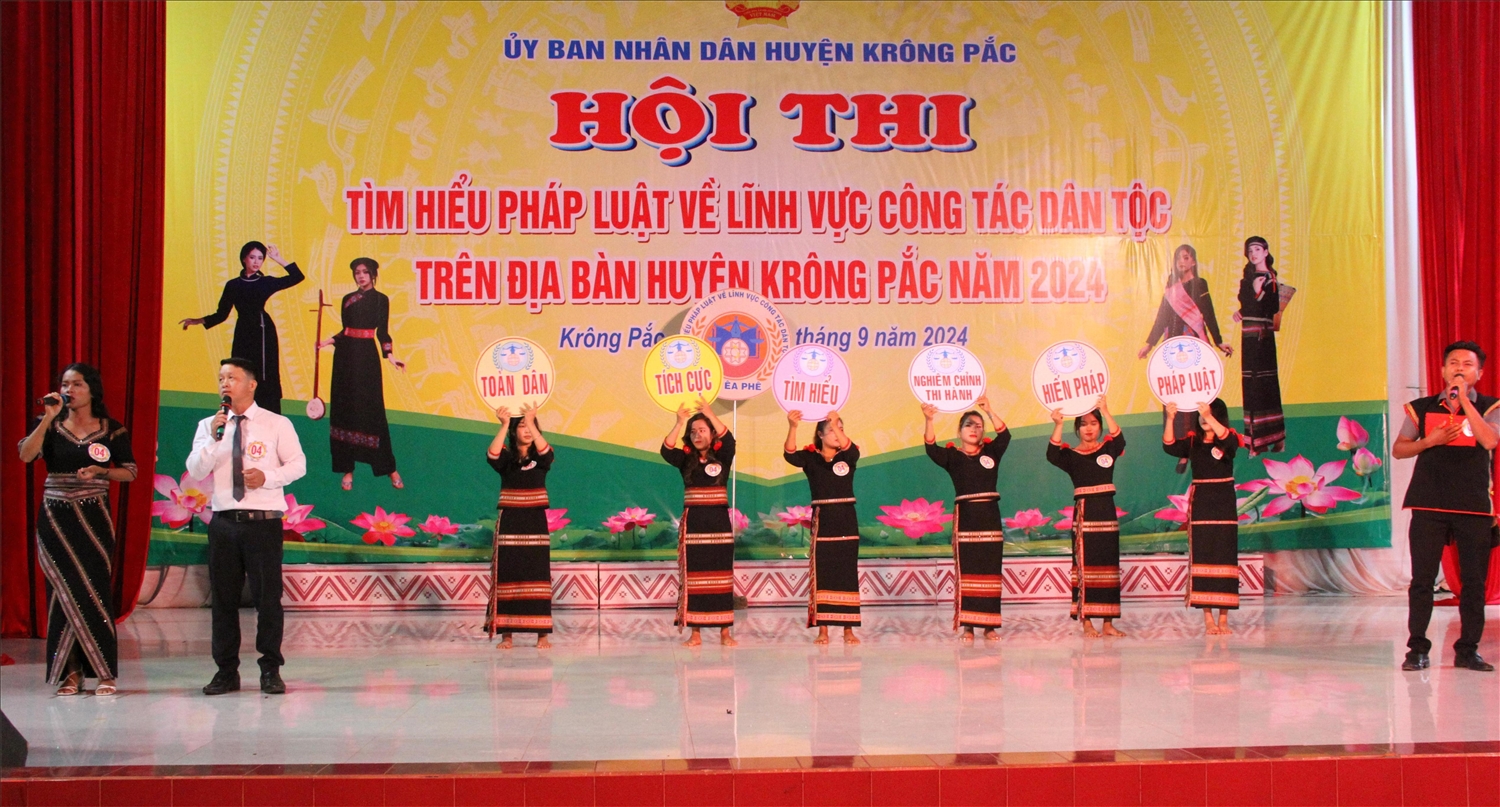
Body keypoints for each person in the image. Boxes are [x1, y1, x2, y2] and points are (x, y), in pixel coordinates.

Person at [187, 358, 307, 695]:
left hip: (263, 524)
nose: (225, 384)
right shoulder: (209, 426)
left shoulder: (276, 423)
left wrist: (266, 477)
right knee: (223, 600)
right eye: (221, 378)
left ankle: (270, 669)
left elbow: (298, 465)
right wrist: (214, 439)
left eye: (232, 378)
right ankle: (226, 672)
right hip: (224, 523)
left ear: (251, 384)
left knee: (268, 599)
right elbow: (196, 470)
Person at [16, 364, 137, 696]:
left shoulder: (111, 429)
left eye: (77, 384)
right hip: (55, 518)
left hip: (94, 517)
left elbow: (130, 471)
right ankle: (70, 673)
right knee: (61, 593)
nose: (69, 390)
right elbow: (26, 455)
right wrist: (47, 418)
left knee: (93, 591)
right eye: (65, 384)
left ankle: (104, 672)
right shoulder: (49, 425)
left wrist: (101, 472)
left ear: (92, 390)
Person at [1392, 340, 1499, 672]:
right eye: (1453, 363)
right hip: (1429, 503)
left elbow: (1489, 440)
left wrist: (1464, 401)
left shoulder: (1491, 407)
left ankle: (1467, 649)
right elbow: (1399, 449)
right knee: (1422, 580)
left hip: (1473, 507)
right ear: (1442, 370)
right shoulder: (1422, 408)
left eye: (1467, 365)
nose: (1459, 369)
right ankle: (1417, 649)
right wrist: (1430, 441)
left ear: (1479, 373)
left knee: (1473, 583)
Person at [1139, 244, 1234, 471]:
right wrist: (1150, 343)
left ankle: (1199, 443)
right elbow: (1162, 317)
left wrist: (1218, 341)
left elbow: (1208, 313)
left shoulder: (1200, 284)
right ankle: (1182, 450)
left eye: (1186, 257)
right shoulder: (1171, 286)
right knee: (1174, 394)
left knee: (1196, 393)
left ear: (1193, 261)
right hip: (1172, 346)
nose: (1182, 262)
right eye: (1178, 258)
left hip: (1194, 344)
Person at [179, 241, 304, 414]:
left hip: (262, 330)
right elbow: (222, 314)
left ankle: (268, 413)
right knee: (240, 370)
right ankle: (239, 412)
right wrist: (197, 321)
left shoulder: (265, 282)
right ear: (244, 258)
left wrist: (278, 258)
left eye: (260, 258)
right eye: (252, 257)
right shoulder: (233, 285)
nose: (256, 262)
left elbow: (297, 277)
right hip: (243, 331)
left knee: (264, 373)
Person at [923, 396, 1010, 643]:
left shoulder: (992, 452)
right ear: (959, 431)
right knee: (968, 572)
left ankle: (989, 626)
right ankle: (968, 626)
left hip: (990, 519)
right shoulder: (953, 456)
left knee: (990, 571)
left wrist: (989, 410)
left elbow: (1005, 436)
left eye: (979, 426)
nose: (974, 429)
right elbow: (931, 448)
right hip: (967, 520)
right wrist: (929, 420)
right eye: (969, 425)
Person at [317, 257, 405, 491]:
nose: (361, 276)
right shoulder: (348, 299)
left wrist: (390, 355)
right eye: (357, 272)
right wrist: (328, 341)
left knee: (372, 411)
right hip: (345, 358)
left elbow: (382, 332)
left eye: (365, 272)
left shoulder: (381, 299)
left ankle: (389, 467)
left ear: (373, 274)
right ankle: (347, 469)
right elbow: (345, 331)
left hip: (367, 357)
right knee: (344, 410)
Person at [1046, 397, 1127, 637]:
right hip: (1085, 515)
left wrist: (1106, 410)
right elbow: (1051, 454)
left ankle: (1108, 623)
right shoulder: (1070, 455)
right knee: (1084, 567)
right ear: (1077, 429)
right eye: (1083, 424)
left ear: (1100, 426)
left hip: (1107, 515)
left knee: (1108, 566)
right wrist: (1058, 424)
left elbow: (1120, 440)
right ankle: (1087, 622)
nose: (1089, 428)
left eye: (1094, 423)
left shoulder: (1108, 449)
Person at [662, 396, 737, 647]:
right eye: (693, 431)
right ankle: (695, 633)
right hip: (694, 525)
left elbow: (730, 440)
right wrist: (679, 422)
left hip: (719, 525)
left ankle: (725, 632)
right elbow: (666, 450)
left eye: (702, 430)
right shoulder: (686, 459)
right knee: (695, 578)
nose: (697, 435)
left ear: (712, 434)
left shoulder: (722, 456)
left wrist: (710, 413)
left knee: (722, 577)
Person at [1163, 398, 1241, 635]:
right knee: (1203, 556)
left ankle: (1224, 619)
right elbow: (1169, 446)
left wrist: (1209, 416)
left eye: (1210, 413)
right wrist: (1170, 418)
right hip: (1201, 507)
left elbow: (1228, 441)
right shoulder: (1193, 442)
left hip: (1224, 506)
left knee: (1225, 556)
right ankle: (1208, 618)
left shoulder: (1229, 439)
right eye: (1202, 413)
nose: (1204, 417)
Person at [784, 409, 861, 645]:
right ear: (820, 434)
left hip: (846, 519)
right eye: (831, 430)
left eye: (841, 429)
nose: (837, 434)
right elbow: (789, 455)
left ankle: (848, 630)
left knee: (847, 574)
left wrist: (835, 423)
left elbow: (851, 449)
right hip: (823, 520)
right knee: (823, 574)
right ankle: (823, 631)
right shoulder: (811, 458)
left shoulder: (848, 456)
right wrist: (793, 426)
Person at [485, 403, 554, 649]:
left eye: (530, 427)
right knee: (509, 573)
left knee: (537, 573)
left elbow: (546, 452)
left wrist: (531, 421)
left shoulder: (541, 458)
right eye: (521, 426)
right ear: (514, 432)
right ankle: (507, 635)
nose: (526, 430)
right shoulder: (507, 459)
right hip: (511, 520)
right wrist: (505, 424)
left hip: (535, 520)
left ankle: (542, 634)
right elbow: (492, 455)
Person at [1237, 236, 1288, 456]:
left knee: (1266, 384)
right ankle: (1256, 441)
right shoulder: (1246, 279)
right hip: (1248, 337)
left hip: (1263, 337)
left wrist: (1258, 293)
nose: (1253, 254)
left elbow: (1272, 308)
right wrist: (1252, 297)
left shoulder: (1272, 279)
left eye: (1257, 249)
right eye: (1250, 250)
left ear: (1266, 252)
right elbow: (1245, 303)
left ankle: (1276, 439)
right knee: (1250, 383)